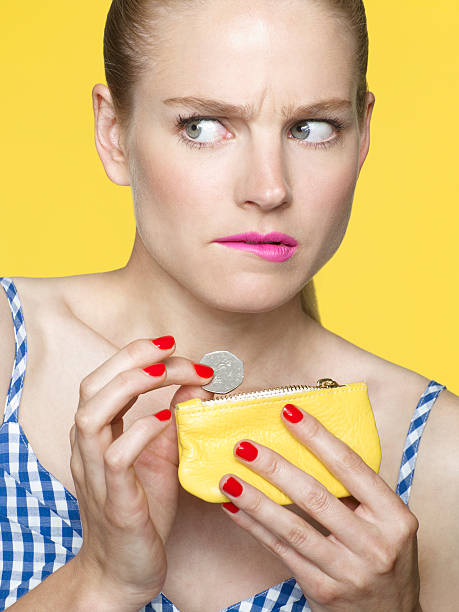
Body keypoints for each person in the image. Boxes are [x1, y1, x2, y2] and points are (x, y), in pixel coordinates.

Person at [0, 0, 458, 610]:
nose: (269, 188)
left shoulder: (440, 456)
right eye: (203, 126)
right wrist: (102, 582)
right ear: (113, 133)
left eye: (312, 128)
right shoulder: (11, 349)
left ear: (363, 132)